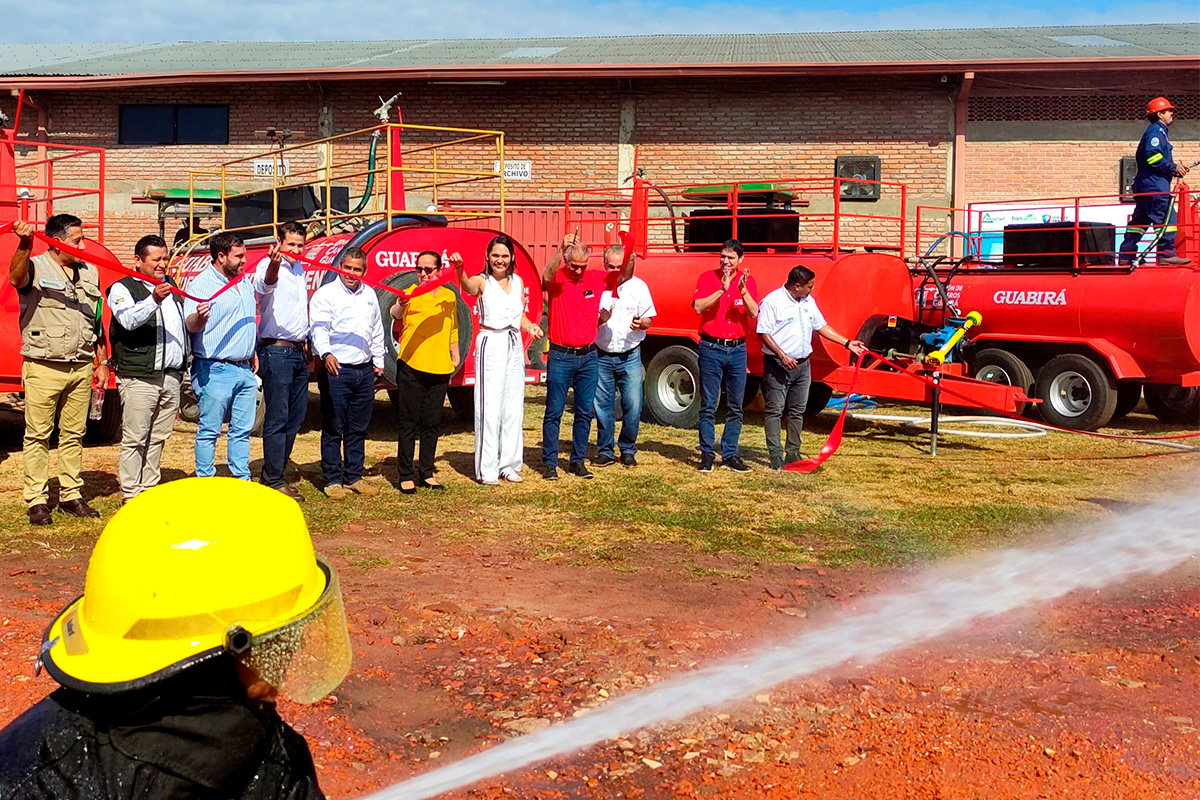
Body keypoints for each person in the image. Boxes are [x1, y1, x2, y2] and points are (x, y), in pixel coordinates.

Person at [0, 477, 351, 800]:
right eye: (280, 636)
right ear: (231, 648)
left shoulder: (36, 764)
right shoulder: (274, 768)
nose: (293, 650)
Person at [8, 215, 108, 525]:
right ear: (56, 242)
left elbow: (96, 320)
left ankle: (70, 494)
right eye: (77, 240)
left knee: (74, 434)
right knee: (38, 435)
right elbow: (16, 279)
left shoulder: (89, 272)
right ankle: (37, 499)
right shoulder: (35, 267)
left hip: (80, 366)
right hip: (43, 366)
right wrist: (25, 244)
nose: (83, 246)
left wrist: (102, 361)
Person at [541, 232, 633, 480]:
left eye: (583, 266)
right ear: (566, 260)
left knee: (584, 412)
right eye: (574, 266)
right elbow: (545, 278)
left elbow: (625, 276)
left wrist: (630, 253)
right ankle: (549, 462)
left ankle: (577, 460)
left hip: (588, 356)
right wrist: (560, 250)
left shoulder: (594, 278)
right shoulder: (558, 278)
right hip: (561, 355)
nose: (579, 271)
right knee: (554, 411)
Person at [757, 265, 866, 469]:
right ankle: (775, 455)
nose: (812, 289)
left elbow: (821, 326)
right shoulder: (773, 301)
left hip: (803, 364)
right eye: (809, 286)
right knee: (775, 410)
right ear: (797, 286)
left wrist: (847, 343)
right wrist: (782, 355)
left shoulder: (808, 301)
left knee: (798, 410)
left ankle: (793, 452)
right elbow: (763, 332)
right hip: (778, 364)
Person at [456, 234, 542, 486]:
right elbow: (468, 287)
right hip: (491, 342)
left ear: (512, 257)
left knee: (513, 406)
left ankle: (510, 465)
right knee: (489, 406)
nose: (500, 260)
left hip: (513, 343)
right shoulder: (482, 281)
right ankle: (487, 469)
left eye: (504, 255)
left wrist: (531, 326)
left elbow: (519, 315)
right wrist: (459, 269)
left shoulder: (518, 282)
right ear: (488, 257)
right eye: (495, 255)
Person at [107, 234, 187, 502]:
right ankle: (131, 493)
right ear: (138, 260)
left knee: (159, 437)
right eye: (156, 259)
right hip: (139, 376)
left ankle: (149, 489)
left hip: (170, 375)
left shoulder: (171, 286)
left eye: (165, 258)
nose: (163, 264)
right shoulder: (122, 288)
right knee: (135, 438)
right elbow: (128, 320)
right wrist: (153, 299)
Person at [309, 246, 384, 500]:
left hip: (364, 370)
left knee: (358, 427)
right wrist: (326, 353)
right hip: (337, 369)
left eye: (357, 270)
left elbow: (376, 329)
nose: (351, 273)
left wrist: (379, 361)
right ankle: (332, 479)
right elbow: (319, 328)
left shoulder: (369, 294)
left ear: (364, 271)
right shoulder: (326, 294)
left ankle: (354, 476)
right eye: (348, 268)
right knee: (334, 426)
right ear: (340, 267)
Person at [184, 232, 258, 481]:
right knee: (210, 430)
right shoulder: (201, 285)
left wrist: (251, 350)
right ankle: (206, 480)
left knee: (242, 430)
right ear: (221, 256)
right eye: (238, 256)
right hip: (215, 368)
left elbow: (245, 318)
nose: (244, 260)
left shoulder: (244, 281)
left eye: (244, 255)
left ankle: (241, 479)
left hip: (244, 368)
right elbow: (190, 324)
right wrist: (200, 317)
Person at [390, 250, 460, 494]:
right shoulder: (409, 293)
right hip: (411, 366)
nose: (422, 274)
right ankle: (405, 474)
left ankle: (427, 473)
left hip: (439, 368)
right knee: (409, 423)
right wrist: (401, 304)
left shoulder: (449, 296)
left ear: (439, 271)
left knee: (431, 423)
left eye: (428, 269)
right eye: (419, 269)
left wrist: (455, 353)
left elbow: (453, 326)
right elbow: (395, 314)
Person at [254, 221, 311, 501]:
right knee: (277, 416)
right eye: (291, 245)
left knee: (296, 416)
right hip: (276, 351)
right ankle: (274, 479)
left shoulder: (299, 270)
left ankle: (275, 470)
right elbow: (265, 285)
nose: (296, 250)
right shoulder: (268, 265)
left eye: (300, 245)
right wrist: (274, 265)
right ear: (279, 243)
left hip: (298, 352)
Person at [692, 238, 758, 473]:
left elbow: (753, 312)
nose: (725, 261)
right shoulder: (707, 278)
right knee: (709, 404)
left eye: (730, 257)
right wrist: (722, 289)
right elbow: (698, 307)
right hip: (711, 348)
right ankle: (707, 454)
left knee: (736, 406)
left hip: (737, 349)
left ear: (741, 259)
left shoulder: (747, 281)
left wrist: (743, 291)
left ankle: (730, 454)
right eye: (722, 256)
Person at [593, 243, 656, 468]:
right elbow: (585, 320)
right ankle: (605, 450)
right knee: (603, 406)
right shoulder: (597, 286)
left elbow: (649, 319)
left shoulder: (638, 286)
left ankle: (628, 449)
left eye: (619, 267)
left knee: (633, 404)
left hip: (629, 354)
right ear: (604, 264)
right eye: (611, 266)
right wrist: (599, 320)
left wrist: (642, 323)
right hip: (602, 353)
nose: (615, 271)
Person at [1118, 96, 1191, 267]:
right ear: (1159, 114)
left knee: (1140, 221)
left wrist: (1173, 168)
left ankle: (1126, 255)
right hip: (1154, 186)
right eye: (1169, 111)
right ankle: (1166, 254)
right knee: (1167, 219)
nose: (1172, 113)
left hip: (1147, 185)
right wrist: (1172, 166)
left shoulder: (1157, 132)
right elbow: (1153, 157)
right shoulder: (1156, 132)